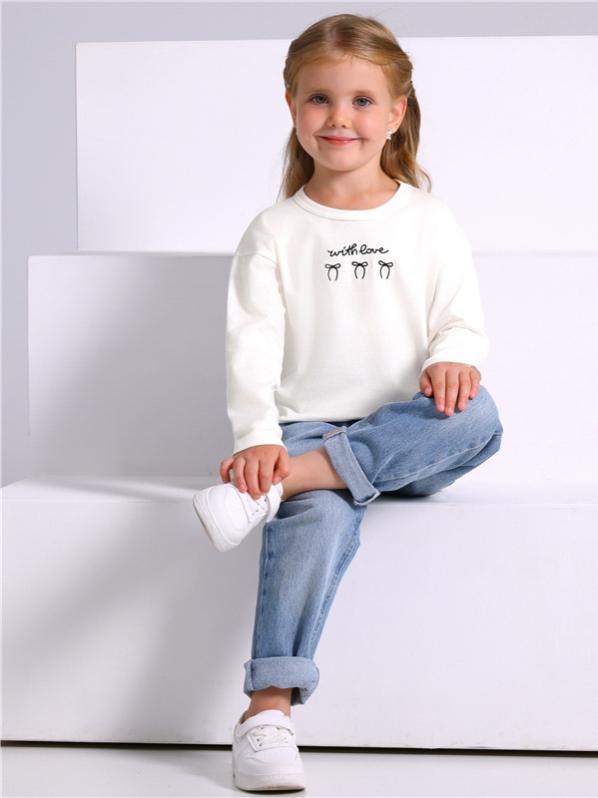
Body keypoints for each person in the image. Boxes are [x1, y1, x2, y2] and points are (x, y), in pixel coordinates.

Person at [192, 12, 504, 792]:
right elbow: (251, 344)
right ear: (292, 106)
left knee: (481, 417)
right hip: (305, 426)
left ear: (396, 113)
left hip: (405, 433)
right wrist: (259, 437)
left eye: (362, 101)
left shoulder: (429, 221)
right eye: (321, 99)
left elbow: (461, 320)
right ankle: (267, 712)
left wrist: (454, 358)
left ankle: (283, 486)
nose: (340, 118)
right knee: (322, 519)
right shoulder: (275, 231)